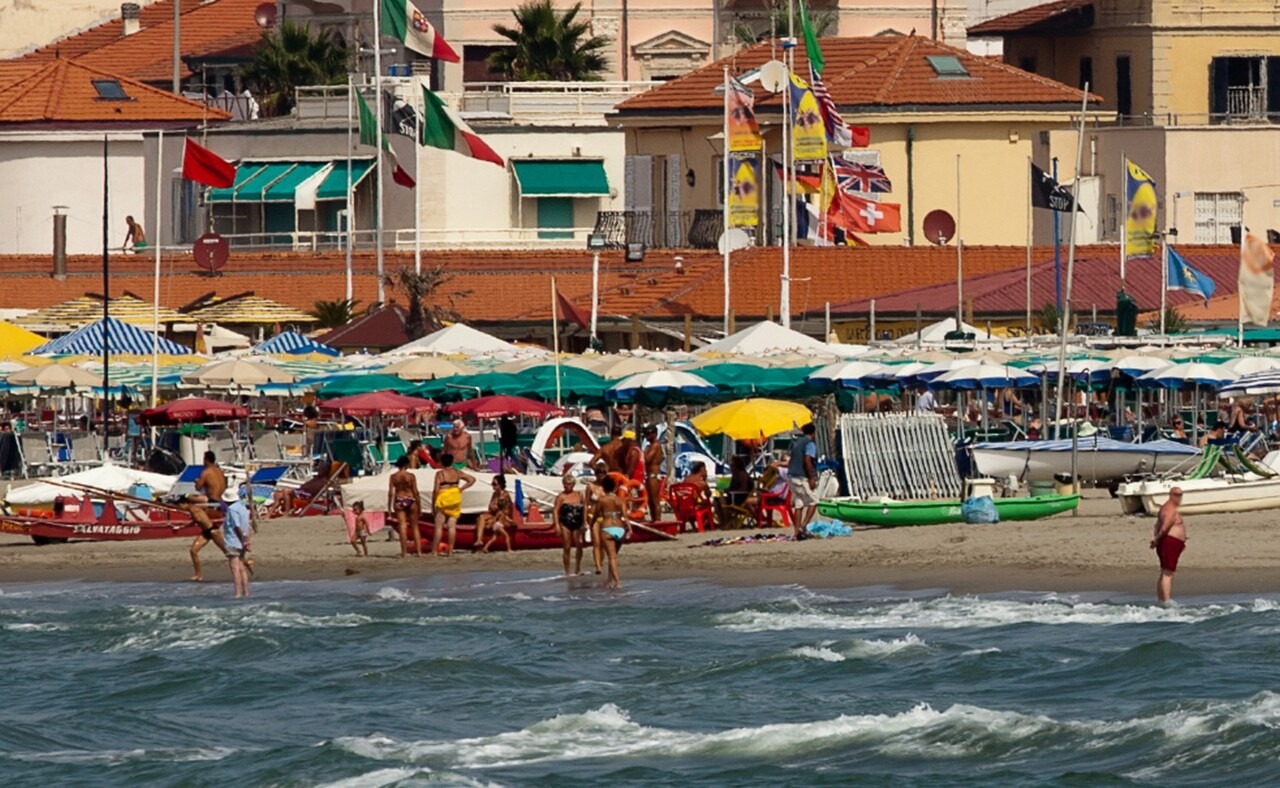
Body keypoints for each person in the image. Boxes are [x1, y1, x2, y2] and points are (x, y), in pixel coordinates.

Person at [186, 451, 227, 582]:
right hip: (220, 503)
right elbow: (224, 487)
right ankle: (198, 574)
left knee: (189, 499)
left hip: (211, 502)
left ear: (206, 460)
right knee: (206, 534)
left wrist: (196, 482)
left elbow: (199, 487)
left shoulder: (206, 472)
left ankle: (198, 574)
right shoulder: (220, 472)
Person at [430, 452, 476, 555]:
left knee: (439, 526)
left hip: (443, 497)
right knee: (452, 526)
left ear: (442, 462)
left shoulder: (440, 474)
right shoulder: (457, 472)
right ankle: (450, 551)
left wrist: (433, 505)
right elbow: (472, 480)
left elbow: (435, 490)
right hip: (455, 497)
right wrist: (461, 488)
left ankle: (434, 551)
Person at [1151, 486, 1187, 602]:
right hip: (1169, 542)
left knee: (1165, 572)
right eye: (1176, 495)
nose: (1179, 497)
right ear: (1170, 495)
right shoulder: (1169, 509)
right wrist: (1157, 539)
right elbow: (1164, 527)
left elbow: (1156, 526)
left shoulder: (1165, 508)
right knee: (1167, 573)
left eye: (1180, 495)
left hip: (1170, 542)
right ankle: (1166, 601)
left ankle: (1161, 600)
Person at [596, 475, 631, 590]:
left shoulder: (602, 500)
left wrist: (589, 524)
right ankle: (610, 580)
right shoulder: (620, 500)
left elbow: (596, 514)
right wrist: (630, 529)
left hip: (607, 528)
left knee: (611, 557)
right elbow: (625, 516)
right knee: (614, 556)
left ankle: (617, 582)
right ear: (615, 488)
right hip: (620, 529)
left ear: (603, 488)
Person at [788, 423, 819, 539]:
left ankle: (796, 532)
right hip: (801, 477)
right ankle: (802, 527)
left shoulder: (796, 443)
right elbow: (807, 460)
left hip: (791, 476)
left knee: (798, 504)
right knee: (814, 501)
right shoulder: (810, 443)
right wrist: (812, 477)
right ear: (813, 433)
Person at [386, 455, 421, 558]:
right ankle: (418, 552)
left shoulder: (393, 477)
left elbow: (390, 493)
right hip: (410, 498)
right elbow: (415, 492)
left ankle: (404, 552)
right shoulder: (410, 476)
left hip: (399, 499)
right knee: (415, 527)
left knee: (402, 527)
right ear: (406, 464)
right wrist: (419, 505)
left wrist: (389, 507)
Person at [553, 474, 586, 577]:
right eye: (565, 484)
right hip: (565, 523)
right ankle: (567, 570)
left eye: (569, 484)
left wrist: (585, 521)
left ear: (573, 484)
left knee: (579, 545)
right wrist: (557, 525)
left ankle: (578, 568)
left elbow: (585, 508)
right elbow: (555, 511)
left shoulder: (579, 495)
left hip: (578, 522)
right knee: (567, 547)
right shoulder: (561, 497)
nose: (567, 486)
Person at [221, 489, 251, 598]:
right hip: (242, 540)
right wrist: (247, 540)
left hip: (233, 540)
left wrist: (243, 541)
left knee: (235, 568)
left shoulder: (232, 509)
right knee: (241, 567)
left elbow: (236, 526)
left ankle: (238, 593)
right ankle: (246, 592)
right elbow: (247, 526)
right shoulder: (243, 507)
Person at [475, 474, 515, 553]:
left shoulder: (504, 495)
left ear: (500, 485)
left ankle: (508, 548)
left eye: (494, 484)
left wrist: (492, 521)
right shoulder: (495, 494)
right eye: (492, 483)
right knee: (481, 517)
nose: (492, 485)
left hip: (504, 518)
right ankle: (479, 540)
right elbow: (491, 508)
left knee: (488, 523)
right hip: (495, 515)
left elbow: (502, 512)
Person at [642, 425, 664, 521]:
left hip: (654, 475)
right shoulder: (651, 446)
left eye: (648, 434)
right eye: (645, 434)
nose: (646, 436)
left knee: (655, 501)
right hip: (650, 475)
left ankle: (657, 520)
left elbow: (647, 459)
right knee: (650, 501)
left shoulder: (655, 445)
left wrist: (644, 452)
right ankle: (654, 519)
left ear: (654, 434)